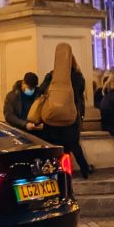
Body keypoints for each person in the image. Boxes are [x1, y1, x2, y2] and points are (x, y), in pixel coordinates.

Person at [27, 43, 92, 179]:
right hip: (70, 116)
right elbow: (80, 96)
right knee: (74, 146)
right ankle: (84, 169)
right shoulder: (78, 77)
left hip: (52, 118)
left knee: (57, 147)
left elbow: (41, 92)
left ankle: (59, 173)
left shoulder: (51, 76)